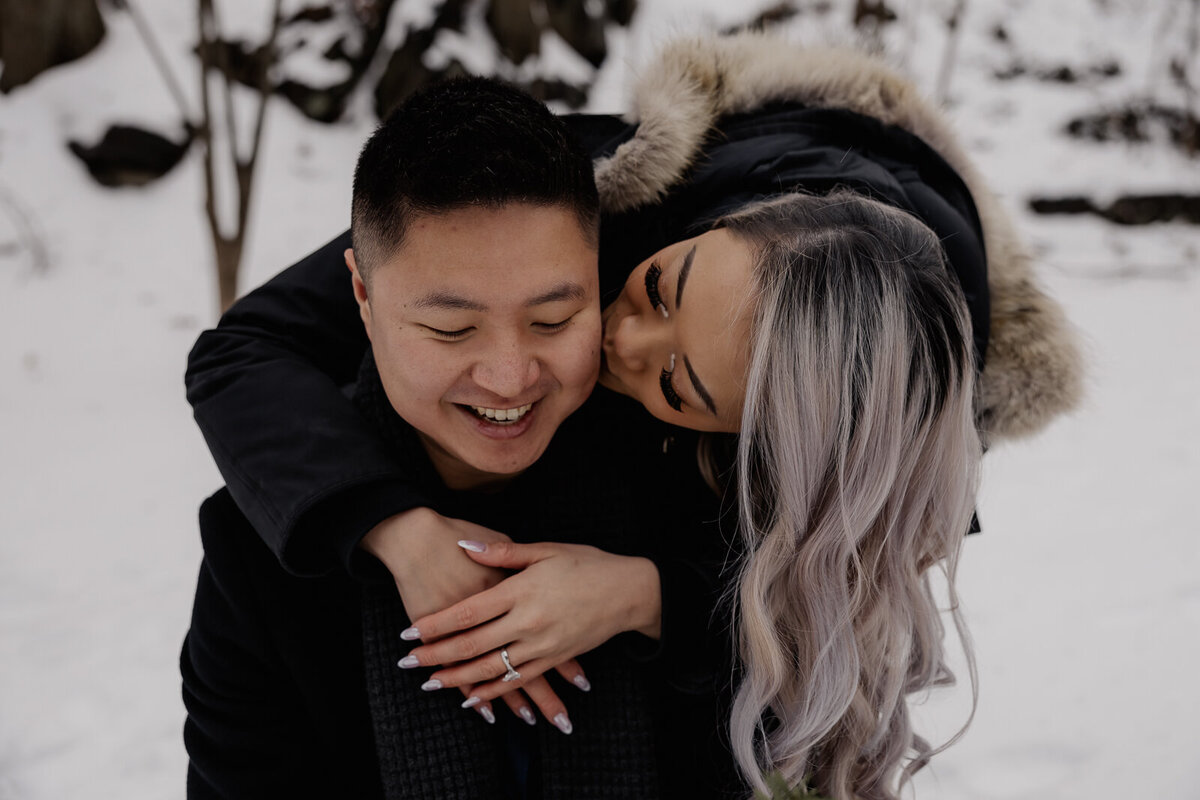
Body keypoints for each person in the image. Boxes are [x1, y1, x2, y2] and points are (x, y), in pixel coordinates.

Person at [183, 32, 1082, 800]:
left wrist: (648, 594)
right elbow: (244, 347)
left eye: (681, 387)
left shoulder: (853, 447)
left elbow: (846, 605)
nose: (618, 341)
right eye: (653, 287)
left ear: (742, 438)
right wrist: (391, 526)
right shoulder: (608, 189)